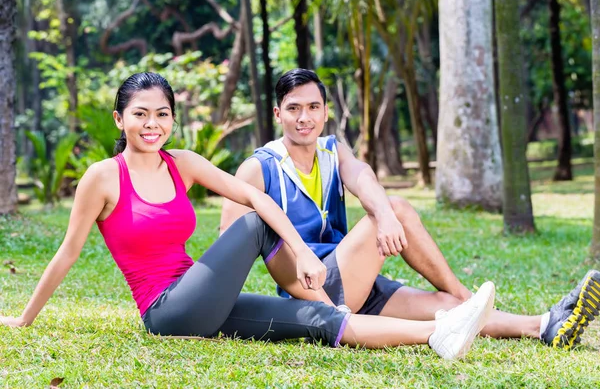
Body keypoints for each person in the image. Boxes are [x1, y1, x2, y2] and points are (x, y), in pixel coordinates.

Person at [0, 72, 498, 360]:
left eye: (162, 115)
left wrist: (300, 251)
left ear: (172, 119)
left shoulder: (185, 163)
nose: (152, 125)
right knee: (256, 223)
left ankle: (440, 333)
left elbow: (255, 197)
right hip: (166, 310)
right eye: (140, 114)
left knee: (320, 321)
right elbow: (67, 254)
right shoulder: (102, 177)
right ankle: (367, 305)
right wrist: (25, 318)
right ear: (120, 119)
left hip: (201, 296)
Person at [220, 68, 600, 350]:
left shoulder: (332, 150)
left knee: (445, 306)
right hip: (313, 291)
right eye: (294, 108)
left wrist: (382, 214)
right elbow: (229, 243)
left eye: (313, 107)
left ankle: (545, 325)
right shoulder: (259, 167)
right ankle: (468, 296)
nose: (304, 118)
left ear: (325, 112)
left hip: (354, 281)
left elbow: (362, 176)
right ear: (277, 113)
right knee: (400, 208)